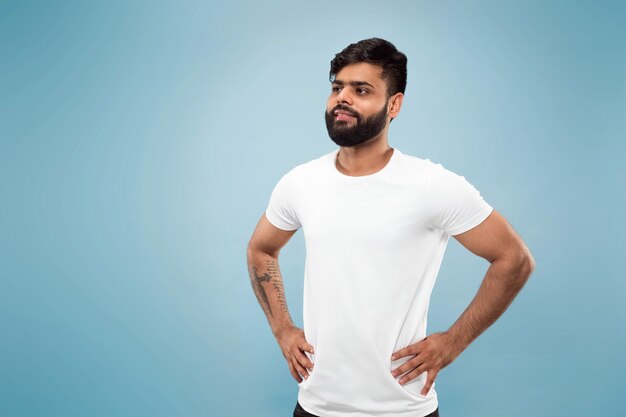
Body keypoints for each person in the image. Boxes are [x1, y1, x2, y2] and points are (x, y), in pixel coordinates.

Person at [246, 38, 535, 417]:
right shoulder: (300, 182)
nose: (342, 99)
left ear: (394, 104)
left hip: (402, 408)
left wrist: (451, 343)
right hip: (316, 406)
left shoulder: (431, 184)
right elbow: (261, 249)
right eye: (337, 88)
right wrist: (283, 329)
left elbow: (514, 259)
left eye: (361, 90)